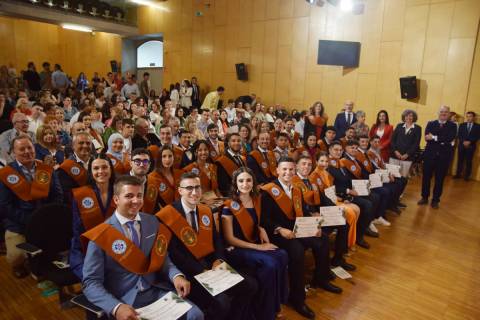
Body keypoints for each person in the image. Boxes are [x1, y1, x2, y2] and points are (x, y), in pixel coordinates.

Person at [81, 175, 203, 320]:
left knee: (196, 315)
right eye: (129, 196)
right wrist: (116, 307)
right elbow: (90, 283)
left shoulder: (152, 222)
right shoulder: (101, 235)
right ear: (116, 200)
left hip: (156, 290)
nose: (136, 201)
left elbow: (162, 259)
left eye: (139, 195)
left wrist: (176, 276)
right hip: (125, 300)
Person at [156, 172, 257, 320]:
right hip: (189, 272)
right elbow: (174, 253)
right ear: (180, 191)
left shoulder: (205, 210)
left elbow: (216, 240)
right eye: (189, 188)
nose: (194, 192)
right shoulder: (167, 216)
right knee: (221, 302)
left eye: (197, 187)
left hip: (212, 266)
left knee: (251, 285)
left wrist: (219, 260)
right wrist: (201, 270)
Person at [260, 157, 337, 320]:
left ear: (294, 171)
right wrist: (280, 229)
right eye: (284, 169)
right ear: (277, 171)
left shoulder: (296, 189)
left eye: (291, 169)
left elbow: (304, 211)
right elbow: (264, 219)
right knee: (297, 251)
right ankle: (297, 299)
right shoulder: (267, 191)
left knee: (322, 240)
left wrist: (314, 226)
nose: (288, 172)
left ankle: (321, 278)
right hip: (279, 234)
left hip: (298, 228)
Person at [222, 167, 288, 320]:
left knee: (282, 254)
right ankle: (265, 312)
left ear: (253, 182)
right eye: (241, 181)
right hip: (237, 249)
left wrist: (261, 228)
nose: (245, 184)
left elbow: (255, 221)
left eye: (248, 180)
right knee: (270, 264)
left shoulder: (256, 200)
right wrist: (259, 247)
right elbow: (229, 239)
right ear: (235, 183)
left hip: (253, 243)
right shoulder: (229, 206)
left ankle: (272, 304)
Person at [0, 135, 62, 277]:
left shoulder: (46, 169)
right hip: (19, 224)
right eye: (22, 149)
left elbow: (58, 195)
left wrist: (47, 215)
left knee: (58, 246)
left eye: (30, 148)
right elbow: (5, 206)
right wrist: (30, 220)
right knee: (17, 255)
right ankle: (19, 265)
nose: (27, 151)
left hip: (46, 220)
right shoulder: (5, 174)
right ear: (13, 152)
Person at [69, 153, 116, 280]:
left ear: (111, 169)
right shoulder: (81, 195)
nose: (101, 171)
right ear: (90, 171)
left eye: (104, 167)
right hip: (86, 247)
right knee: (91, 278)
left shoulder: (120, 191)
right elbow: (78, 230)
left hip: (115, 246)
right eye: (96, 168)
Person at [327, 141, 375, 249]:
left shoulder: (340, 163)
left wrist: (356, 187)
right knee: (367, 205)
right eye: (336, 150)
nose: (338, 152)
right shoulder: (328, 165)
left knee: (372, 197)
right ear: (330, 150)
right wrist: (348, 191)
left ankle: (361, 230)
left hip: (348, 191)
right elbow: (330, 186)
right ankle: (358, 237)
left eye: (340, 150)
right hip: (340, 195)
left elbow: (347, 179)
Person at [310, 152, 360, 248]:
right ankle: (345, 244)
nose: (324, 164)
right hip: (326, 205)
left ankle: (345, 241)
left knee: (356, 209)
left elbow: (331, 190)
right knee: (351, 213)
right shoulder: (313, 176)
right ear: (316, 162)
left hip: (333, 199)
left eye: (326, 161)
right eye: (321, 161)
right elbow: (319, 198)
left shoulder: (327, 173)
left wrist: (341, 199)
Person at [418, 105, 457, 208]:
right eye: (441, 111)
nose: (443, 113)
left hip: (443, 157)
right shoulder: (431, 123)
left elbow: (449, 138)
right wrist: (441, 139)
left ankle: (435, 200)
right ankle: (424, 197)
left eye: (446, 112)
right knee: (426, 177)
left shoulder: (453, 126)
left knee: (439, 179)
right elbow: (427, 137)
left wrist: (434, 137)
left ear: (449, 114)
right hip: (429, 156)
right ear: (438, 113)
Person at [142, 145, 182, 214]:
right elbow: (150, 203)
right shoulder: (152, 177)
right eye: (164, 156)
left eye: (170, 156)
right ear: (159, 158)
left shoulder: (178, 174)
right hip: (163, 215)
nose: (167, 159)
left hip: (180, 211)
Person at [57, 132, 91, 204]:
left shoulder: (96, 162)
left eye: (88, 143)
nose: (85, 146)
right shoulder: (65, 168)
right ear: (73, 146)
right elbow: (66, 195)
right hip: (77, 207)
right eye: (81, 143)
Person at [454, 111, 479, 180]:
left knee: (469, 161)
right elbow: (459, 134)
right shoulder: (462, 125)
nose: (468, 118)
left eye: (470, 116)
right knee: (460, 160)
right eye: (467, 116)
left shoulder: (478, 126)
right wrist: (463, 141)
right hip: (462, 145)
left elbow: (477, 136)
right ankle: (458, 174)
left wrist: (470, 141)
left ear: (473, 117)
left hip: (471, 146)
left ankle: (467, 176)